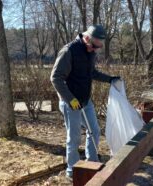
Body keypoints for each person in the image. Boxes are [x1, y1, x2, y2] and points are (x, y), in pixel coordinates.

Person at [50, 25, 120, 179]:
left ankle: (92, 163)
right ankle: (72, 171)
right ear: (86, 38)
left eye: (98, 48)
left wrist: (110, 79)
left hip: (86, 100)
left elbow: (92, 73)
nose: (95, 50)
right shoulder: (69, 51)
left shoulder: (91, 52)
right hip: (71, 103)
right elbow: (55, 78)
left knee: (94, 130)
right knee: (74, 138)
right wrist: (70, 99)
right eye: (94, 46)